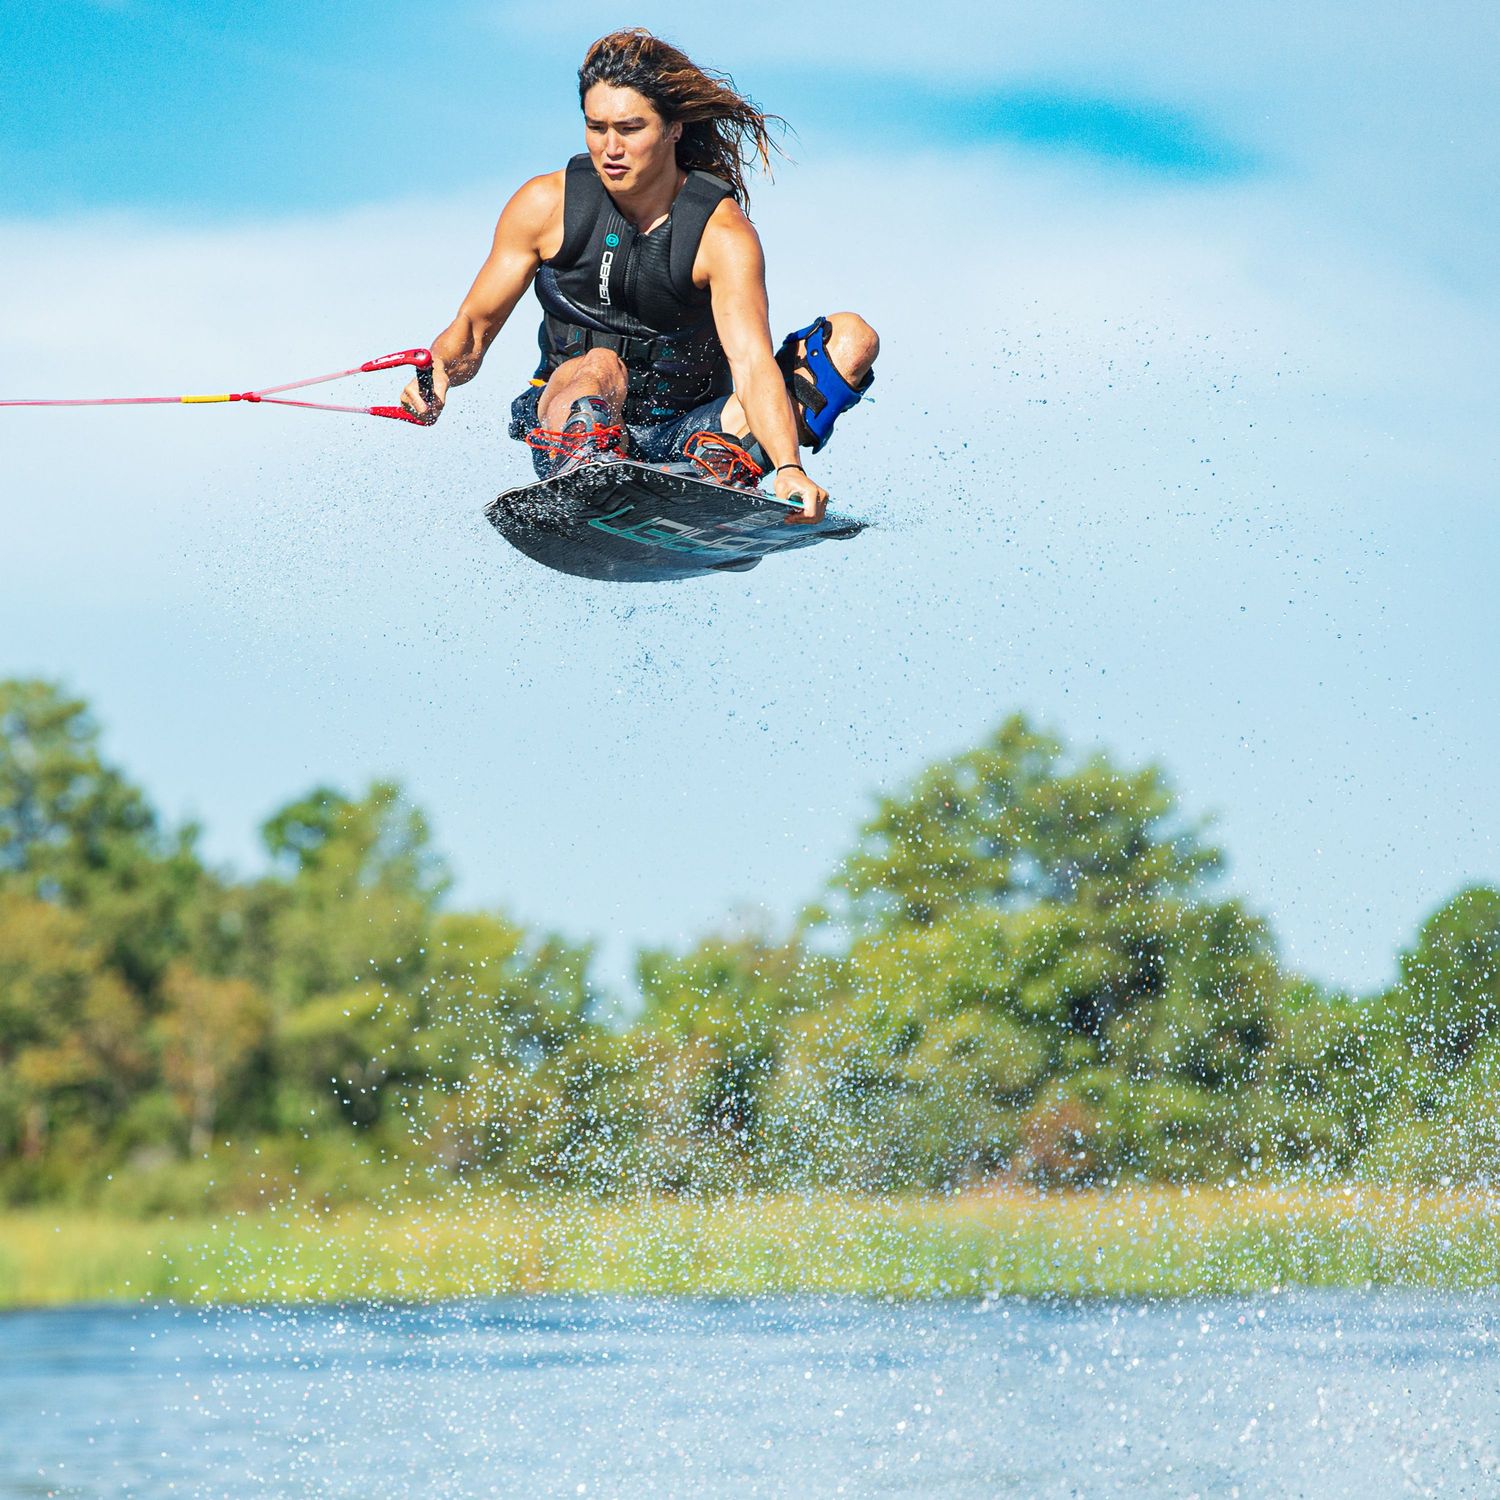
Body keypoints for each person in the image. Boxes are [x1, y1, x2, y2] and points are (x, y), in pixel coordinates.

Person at [400, 27, 878, 523]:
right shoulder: (545, 206)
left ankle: (714, 471)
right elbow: (474, 328)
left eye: (630, 129)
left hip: (693, 431)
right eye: (596, 127)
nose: (610, 148)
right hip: (572, 425)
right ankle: (592, 479)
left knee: (851, 339)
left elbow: (753, 362)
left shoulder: (720, 233)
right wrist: (438, 374)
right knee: (600, 362)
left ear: (674, 128)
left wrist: (787, 466)